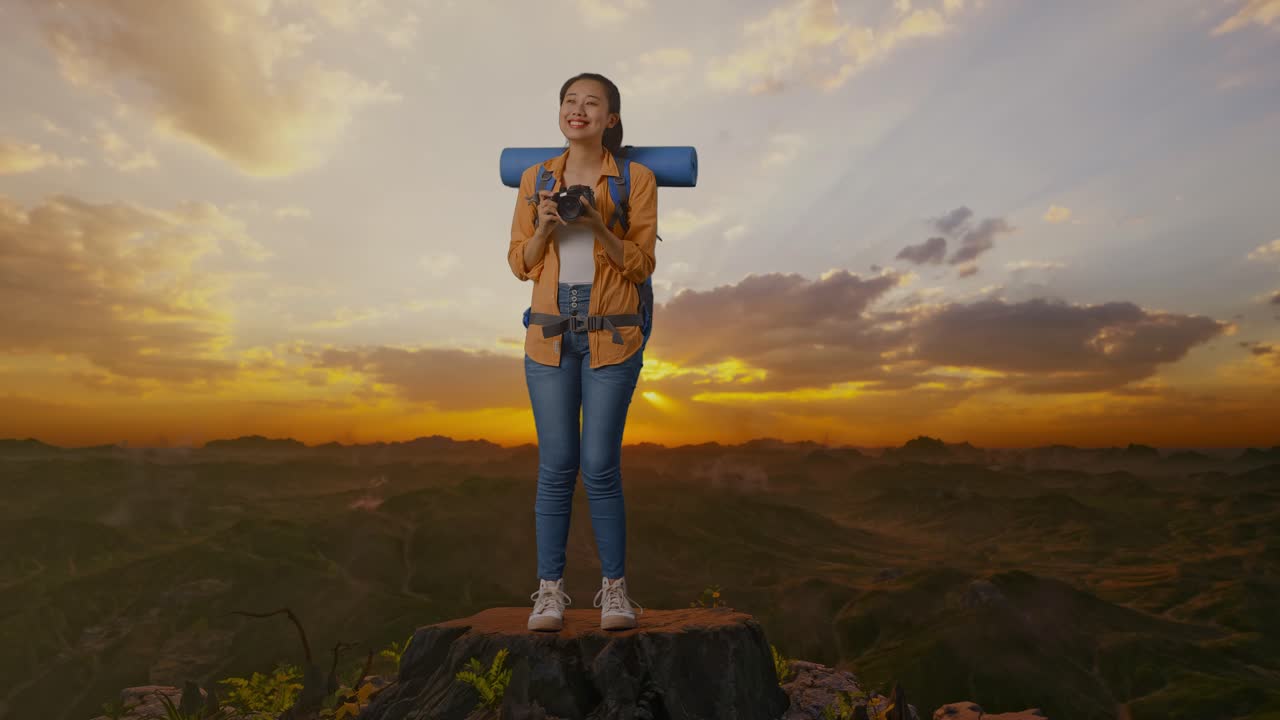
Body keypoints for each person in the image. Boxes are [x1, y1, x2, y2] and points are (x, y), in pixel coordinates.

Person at [507, 72, 659, 632]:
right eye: (570, 101)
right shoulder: (534, 179)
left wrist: (596, 223)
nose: (579, 110)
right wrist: (545, 227)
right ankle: (549, 593)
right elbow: (519, 263)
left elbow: (641, 263)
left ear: (610, 119)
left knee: (599, 467)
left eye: (592, 103)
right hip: (548, 333)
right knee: (555, 468)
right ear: (561, 113)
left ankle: (614, 592)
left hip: (612, 332)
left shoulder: (635, 179)